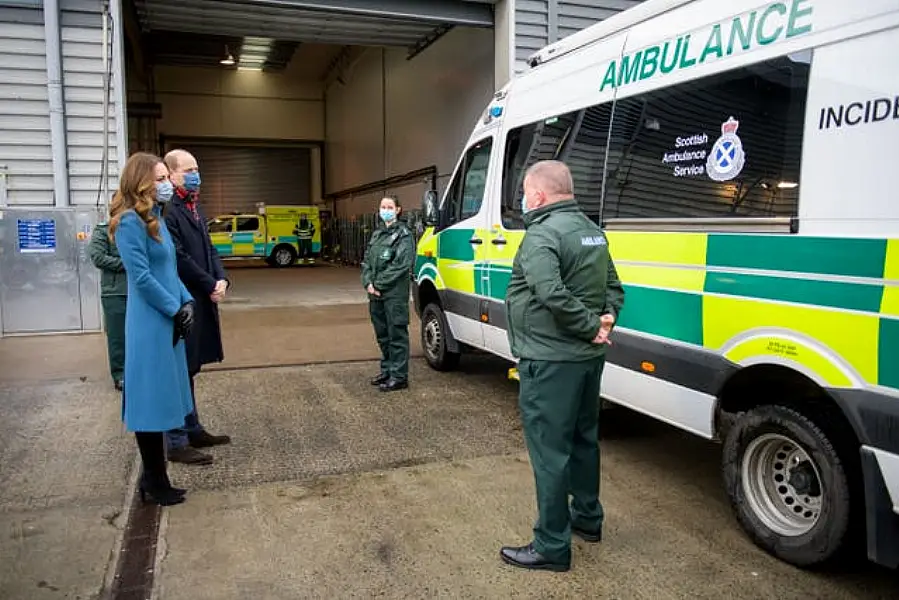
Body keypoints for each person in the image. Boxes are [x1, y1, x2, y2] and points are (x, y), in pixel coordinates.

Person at [500, 160, 625, 572]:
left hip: (551, 360)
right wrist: (606, 319)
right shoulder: (592, 232)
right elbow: (613, 287)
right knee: (584, 440)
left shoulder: (541, 235)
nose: (522, 199)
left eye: (524, 192)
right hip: (587, 362)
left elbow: (550, 293)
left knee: (550, 453)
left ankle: (551, 545)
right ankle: (587, 518)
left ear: (537, 195)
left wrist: (591, 326)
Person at [108, 151, 195, 506]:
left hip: (168, 316)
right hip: (151, 322)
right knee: (149, 402)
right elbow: (141, 277)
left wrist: (186, 300)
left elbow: (170, 270)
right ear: (141, 182)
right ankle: (155, 480)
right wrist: (175, 308)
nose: (166, 185)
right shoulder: (129, 223)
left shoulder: (156, 219)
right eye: (159, 179)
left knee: (163, 397)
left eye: (165, 178)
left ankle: (155, 477)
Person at [162, 148, 232, 465]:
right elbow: (179, 258)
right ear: (171, 173)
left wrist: (221, 280)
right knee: (178, 370)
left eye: (197, 168)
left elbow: (210, 249)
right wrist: (208, 284)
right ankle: (176, 440)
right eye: (188, 169)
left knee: (190, 368)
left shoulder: (194, 208)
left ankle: (192, 428)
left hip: (200, 298)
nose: (195, 174)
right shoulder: (168, 212)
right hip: (182, 301)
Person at [361, 197, 415, 392]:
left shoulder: (404, 235)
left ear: (398, 210)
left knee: (396, 334)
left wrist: (378, 284)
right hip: (375, 294)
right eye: (383, 207)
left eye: (389, 207)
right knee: (382, 334)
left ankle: (399, 376)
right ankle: (387, 370)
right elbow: (366, 261)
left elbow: (401, 265)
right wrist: (367, 282)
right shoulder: (377, 234)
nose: (386, 210)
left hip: (393, 295)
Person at [88, 212, 127, 391]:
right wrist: (128, 263)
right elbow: (98, 257)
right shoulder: (103, 230)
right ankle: (120, 375)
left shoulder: (136, 229)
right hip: (114, 292)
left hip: (137, 291)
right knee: (117, 337)